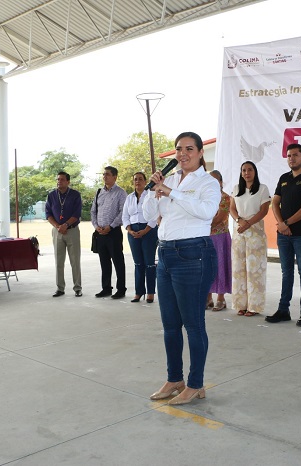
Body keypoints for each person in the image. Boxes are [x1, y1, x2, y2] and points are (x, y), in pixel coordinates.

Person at [143, 131, 220, 406]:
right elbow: (151, 217)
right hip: (165, 254)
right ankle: (174, 378)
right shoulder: (170, 179)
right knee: (170, 326)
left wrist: (171, 192)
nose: (182, 153)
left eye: (189, 148)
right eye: (178, 149)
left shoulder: (208, 183)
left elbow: (206, 212)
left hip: (193, 255)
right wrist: (154, 192)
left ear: (200, 153)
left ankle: (196, 384)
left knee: (193, 325)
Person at [267, 143, 301, 327]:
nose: (291, 158)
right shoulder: (283, 178)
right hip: (283, 235)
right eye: (289, 155)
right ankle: (283, 310)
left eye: (295, 155)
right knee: (286, 272)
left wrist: (287, 223)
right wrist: (281, 224)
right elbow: (275, 203)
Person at [230, 161, 271, 317]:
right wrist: (240, 221)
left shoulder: (262, 189)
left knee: (255, 270)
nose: (247, 173)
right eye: (244, 170)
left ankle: (254, 306)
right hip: (239, 231)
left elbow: (263, 211)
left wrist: (248, 223)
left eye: (250, 170)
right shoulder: (236, 189)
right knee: (238, 269)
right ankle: (241, 304)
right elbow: (232, 209)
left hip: (256, 233)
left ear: (255, 172)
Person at [91, 166, 127, 299]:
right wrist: (96, 226)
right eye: (103, 174)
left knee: (118, 261)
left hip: (113, 233)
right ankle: (106, 288)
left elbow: (123, 212)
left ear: (115, 177)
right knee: (104, 262)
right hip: (100, 233)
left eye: (107, 174)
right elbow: (93, 211)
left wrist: (111, 226)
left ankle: (121, 289)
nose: (104, 177)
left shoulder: (120, 193)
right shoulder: (99, 192)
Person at [45, 171, 83, 297]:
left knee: (75, 261)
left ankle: (77, 288)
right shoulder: (51, 196)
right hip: (57, 231)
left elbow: (77, 214)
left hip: (72, 231)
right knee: (59, 261)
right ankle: (60, 288)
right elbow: (48, 214)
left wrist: (66, 225)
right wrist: (58, 226)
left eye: (62, 179)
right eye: (58, 179)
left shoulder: (75, 195)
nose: (59, 181)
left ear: (68, 182)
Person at [122, 171, 158, 303]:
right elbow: (125, 216)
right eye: (135, 179)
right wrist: (129, 230)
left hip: (148, 230)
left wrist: (145, 230)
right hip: (133, 232)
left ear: (145, 181)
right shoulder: (129, 197)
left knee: (149, 263)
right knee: (138, 263)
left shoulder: (150, 195)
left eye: (140, 179)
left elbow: (155, 215)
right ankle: (138, 292)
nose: (138, 181)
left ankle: (150, 293)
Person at [207, 170, 232, 311]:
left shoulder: (225, 197)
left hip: (220, 237)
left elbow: (220, 218)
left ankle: (221, 299)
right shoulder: (204, 197)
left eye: (216, 180)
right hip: (206, 237)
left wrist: (202, 223)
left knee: (220, 268)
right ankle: (208, 298)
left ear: (221, 183)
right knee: (207, 268)